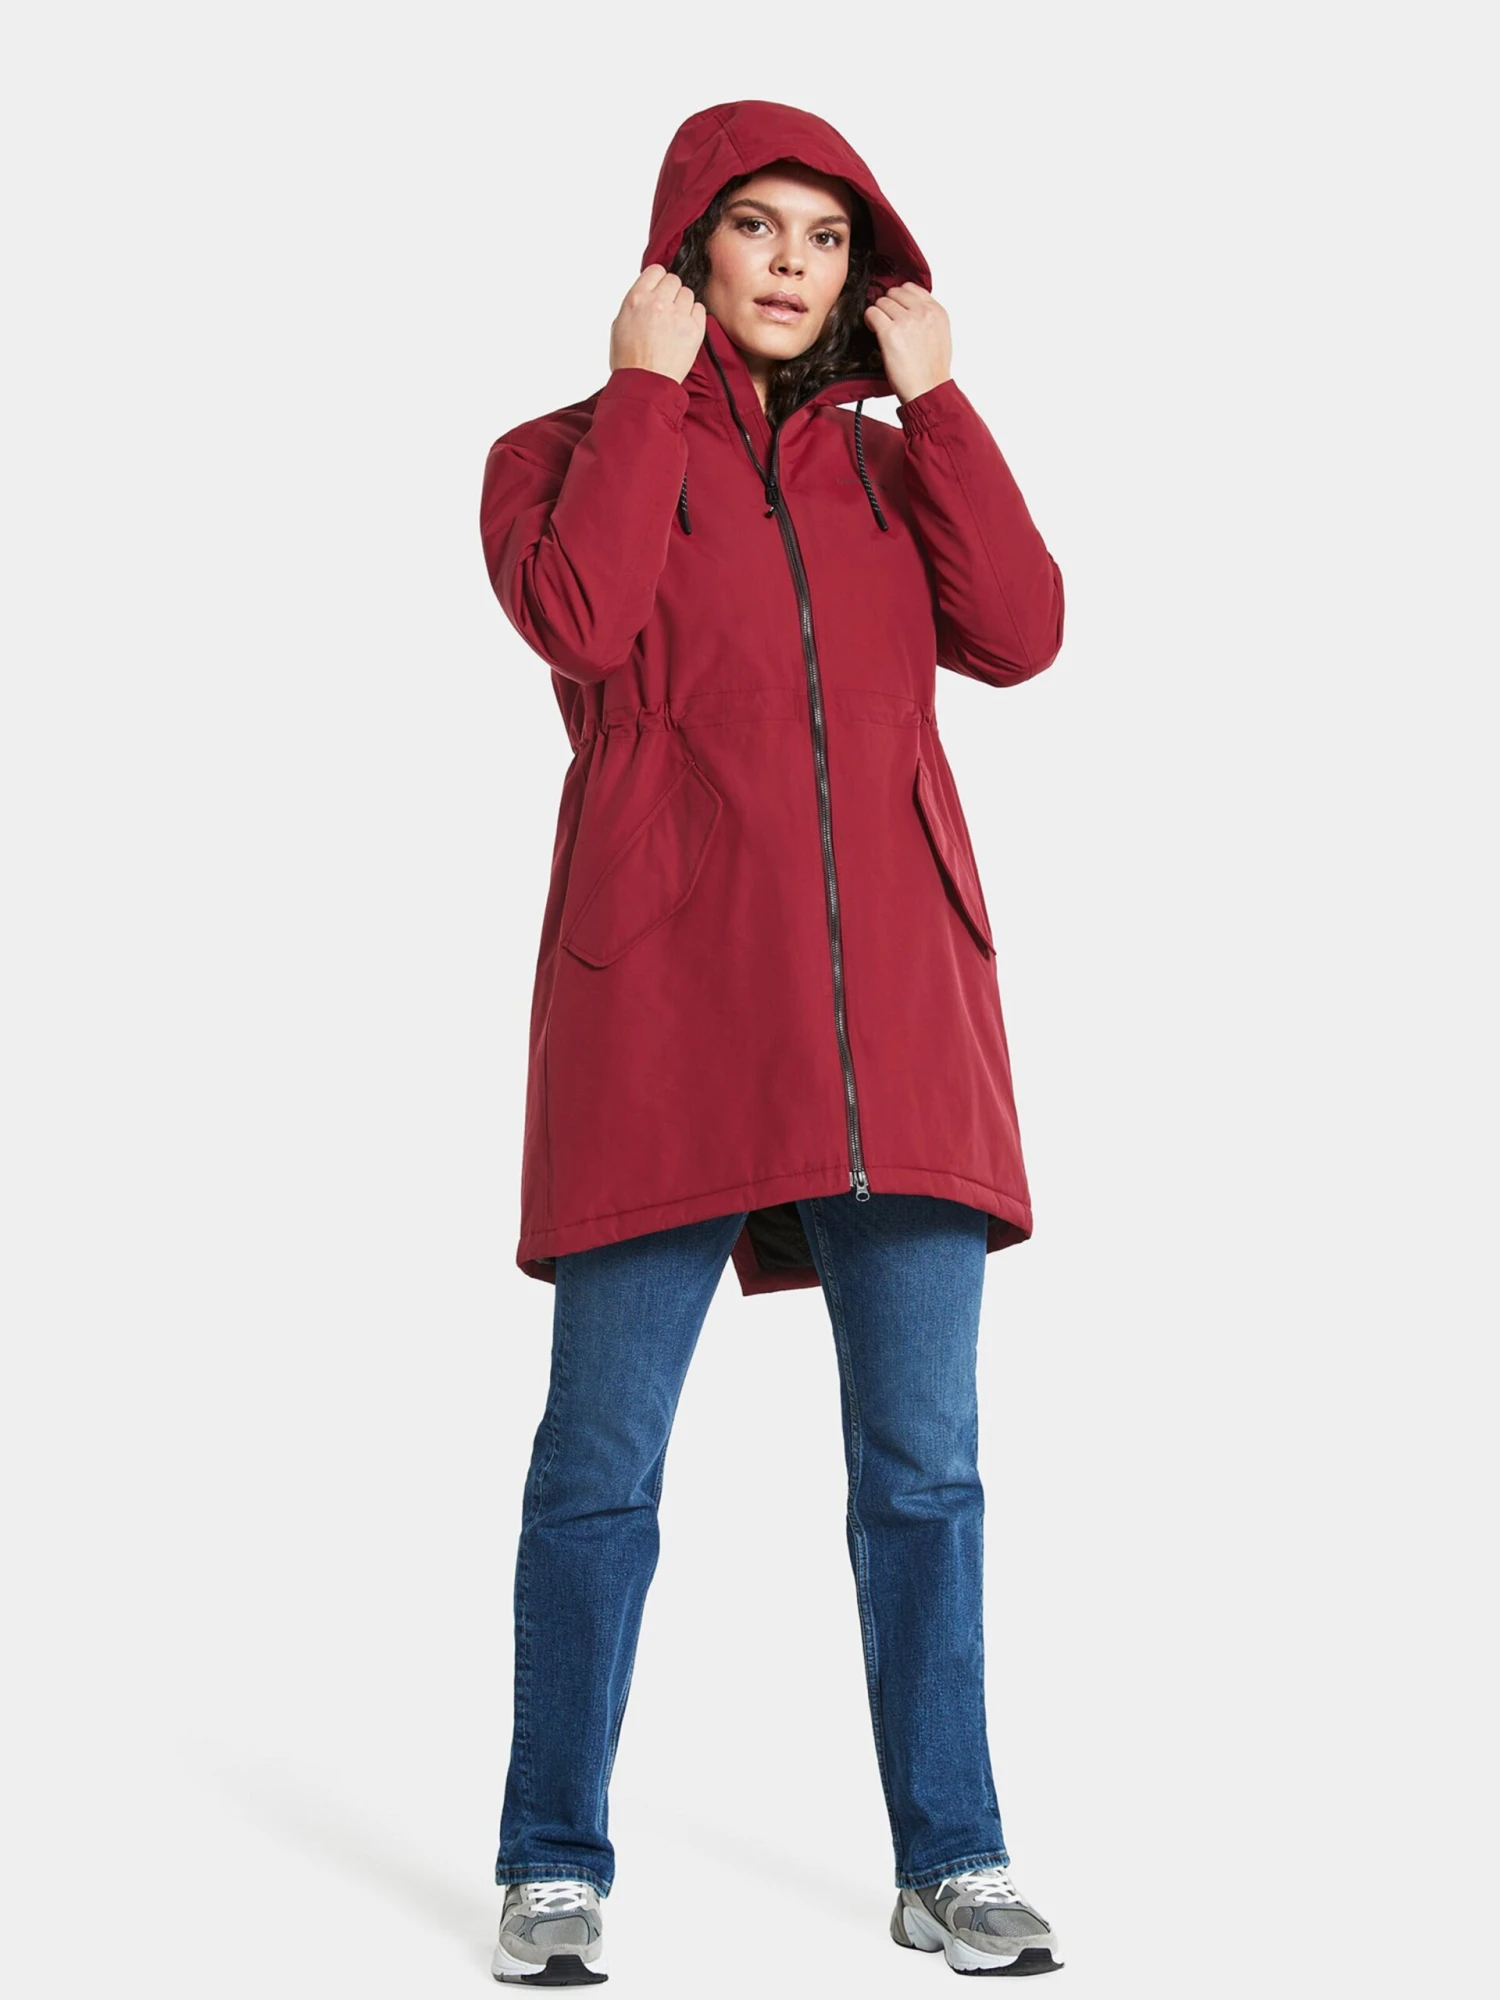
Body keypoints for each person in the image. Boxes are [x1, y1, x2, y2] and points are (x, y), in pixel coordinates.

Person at [477, 98, 1066, 1985]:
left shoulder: (895, 470)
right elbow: (581, 618)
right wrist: (638, 393)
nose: (794, 263)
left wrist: (944, 407)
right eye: (757, 227)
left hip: (899, 1017)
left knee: (926, 1472)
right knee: (599, 1464)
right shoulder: (559, 454)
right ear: (689, 252)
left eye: (826, 234)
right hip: (661, 1006)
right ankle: (550, 1864)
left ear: (864, 271)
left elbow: (1022, 632)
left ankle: (954, 1857)